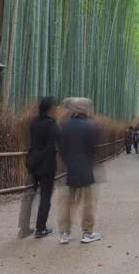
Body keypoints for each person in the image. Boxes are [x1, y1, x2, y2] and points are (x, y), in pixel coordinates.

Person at [57, 98, 102, 244]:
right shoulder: (91, 126)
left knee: (67, 202)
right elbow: (93, 149)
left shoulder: (64, 126)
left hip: (71, 168)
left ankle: (64, 233)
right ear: (84, 110)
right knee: (88, 202)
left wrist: (69, 162)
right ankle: (87, 233)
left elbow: (61, 149)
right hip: (86, 168)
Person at [18, 96, 59, 238]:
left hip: (33, 163)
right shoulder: (52, 124)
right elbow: (57, 140)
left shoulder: (34, 123)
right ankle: (40, 228)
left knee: (29, 195)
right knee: (45, 196)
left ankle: (23, 227)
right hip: (47, 165)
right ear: (50, 109)